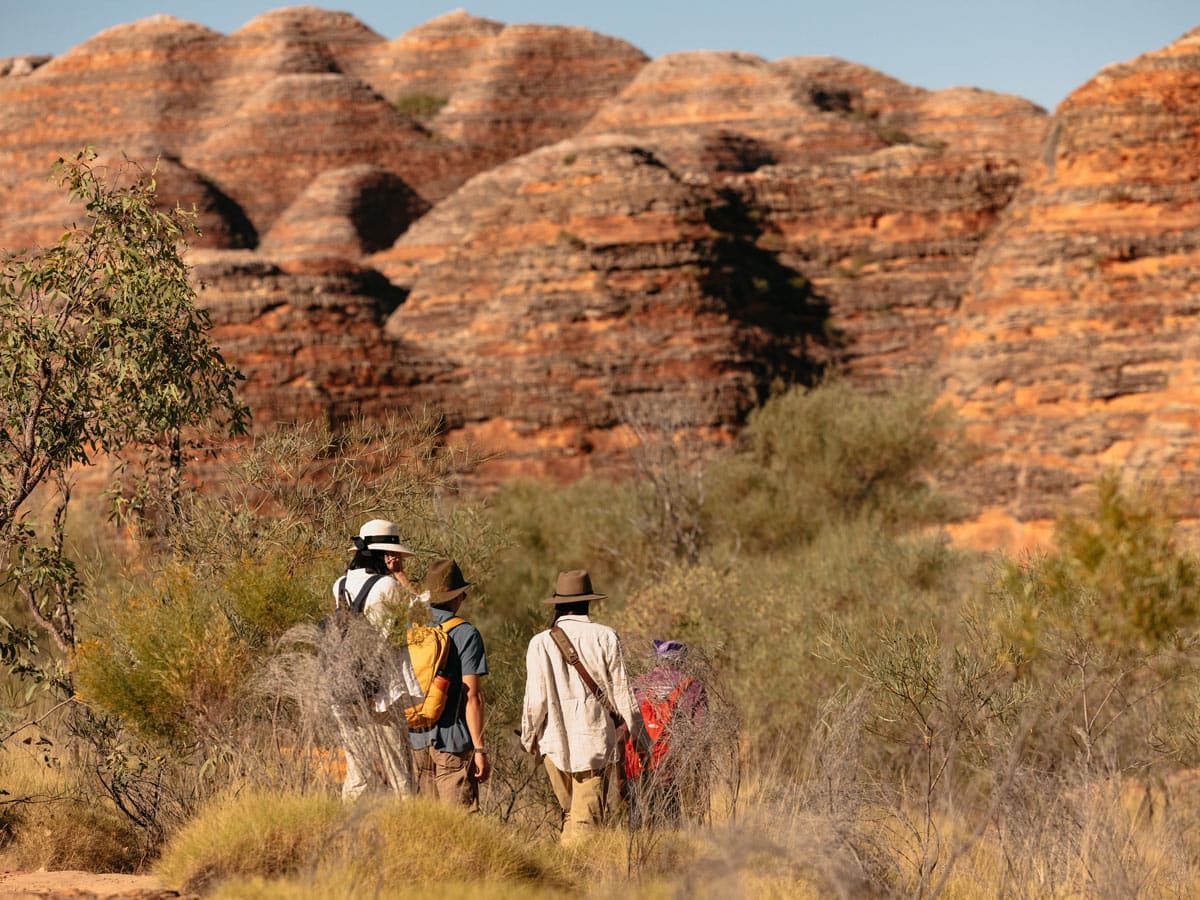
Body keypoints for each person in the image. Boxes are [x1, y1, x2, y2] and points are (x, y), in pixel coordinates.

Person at [520, 569, 647, 845]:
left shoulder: (539, 643)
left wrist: (528, 738)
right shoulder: (605, 636)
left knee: (573, 816)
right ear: (588, 602)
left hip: (554, 745)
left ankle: (564, 874)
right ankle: (573, 877)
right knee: (584, 823)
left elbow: (535, 701)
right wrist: (640, 737)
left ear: (558, 604)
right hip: (594, 743)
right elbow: (623, 693)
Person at [328, 518, 423, 800]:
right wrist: (401, 577)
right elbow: (424, 616)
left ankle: (347, 829)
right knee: (399, 771)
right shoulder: (388, 587)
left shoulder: (340, 584)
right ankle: (410, 827)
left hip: (347, 686)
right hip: (383, 689)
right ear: (386, 555)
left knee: (357, 771)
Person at [408, 558, 490, 810]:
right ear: (457, 598)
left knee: (427, 826)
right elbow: (471, 696)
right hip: (453, 742)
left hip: (416, 738)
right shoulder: (466, 633)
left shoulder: (413, 629)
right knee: (461, 824)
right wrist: (479, 748)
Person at [626, 639, 708, 827]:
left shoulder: (638, 684)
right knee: (670, 818)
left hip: (637, 759)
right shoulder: (692, 687)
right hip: (672, 761)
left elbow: (623, 726)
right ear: (681, 661)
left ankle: (632, 850)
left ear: (657, 660)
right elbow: (700, 730)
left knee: (637, 816)